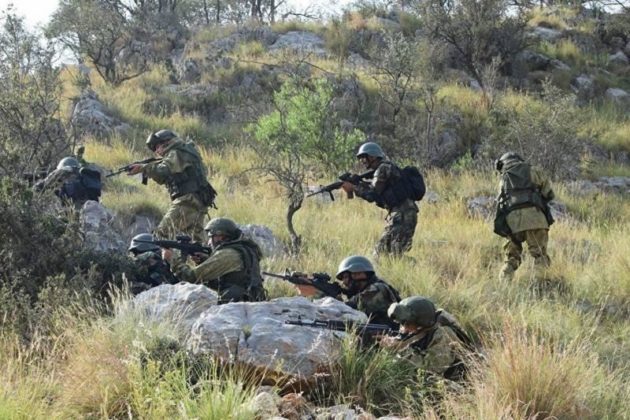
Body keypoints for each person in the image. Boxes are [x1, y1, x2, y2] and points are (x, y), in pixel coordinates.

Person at [127, 129, 216, 243]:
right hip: (197, 202)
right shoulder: (183, 152)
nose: (157, 151)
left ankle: (158, 260)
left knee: (161, 234)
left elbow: (164, 170)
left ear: (167, 142)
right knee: (196, 243)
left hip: (186, 201)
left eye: (157, 146)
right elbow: (164, 178)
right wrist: (147, 169)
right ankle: (200, 259)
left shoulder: (176, 152)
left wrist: (144, 168)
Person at [163, 217, 266, 304]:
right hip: (249, 298)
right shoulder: (241, 248)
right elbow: (230, 276)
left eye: (211, 237)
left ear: (220, 237)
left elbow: (192, 277)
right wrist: (205, 261)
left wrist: (172, 259)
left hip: (237, 304)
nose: (208, 242)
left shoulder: (227, 254)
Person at [342, 142, 419, 256]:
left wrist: (353, 188)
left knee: (383, 254)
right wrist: (358, 184)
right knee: (390, 254)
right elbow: (377, 189)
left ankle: (414, 269)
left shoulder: (383, 169)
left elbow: (372, 195)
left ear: (372, 156)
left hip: (402, 215)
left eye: (364, 157)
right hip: (403, 213)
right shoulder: (386, 167)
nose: (362, 161)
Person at [494, 152, 555, 282]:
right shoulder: (533, 171)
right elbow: (549, 193)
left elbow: (501, 205)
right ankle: (541, 286)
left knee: (511, 258)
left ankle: (504, 285)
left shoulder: (503, 179)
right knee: (539, 255)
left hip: (512, 224)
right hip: (535, 220)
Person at [295, 255, 401, 327]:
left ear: (359, 274)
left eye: (346, 277)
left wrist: (318, 293)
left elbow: (345, 311)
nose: (344, 282)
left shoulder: (378, 289)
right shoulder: (363, 290)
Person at [381, 296, 471, 380]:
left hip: (456, 383)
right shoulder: (423, 327)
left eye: (407, 323)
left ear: (420, 321)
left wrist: (402, 350)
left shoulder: (443, 334)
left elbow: (433, 369)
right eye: (402, 323)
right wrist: (394, 343)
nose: (404, 328)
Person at [35, 155, 102, 209]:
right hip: (92, 207)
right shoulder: (84, 177)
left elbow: (41, 186)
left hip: (74, 208)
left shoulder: (62, 172)